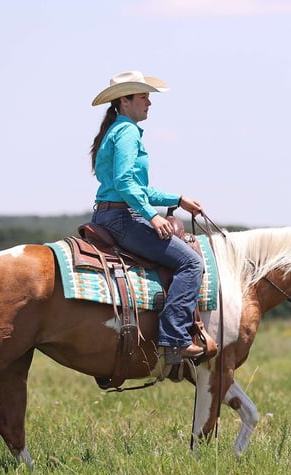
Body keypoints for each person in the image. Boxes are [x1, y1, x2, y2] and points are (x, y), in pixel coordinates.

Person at [89, 71, 206, 364]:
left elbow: (137, 188)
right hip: (121, 218)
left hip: (109, 214)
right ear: (124, 100)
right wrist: (152, 216)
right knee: (192, 263)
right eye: (143, 96)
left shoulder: (117, 129)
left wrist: (177, 200)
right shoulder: (127, 131)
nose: (149, 103)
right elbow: (126, 183)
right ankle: (175, 339)